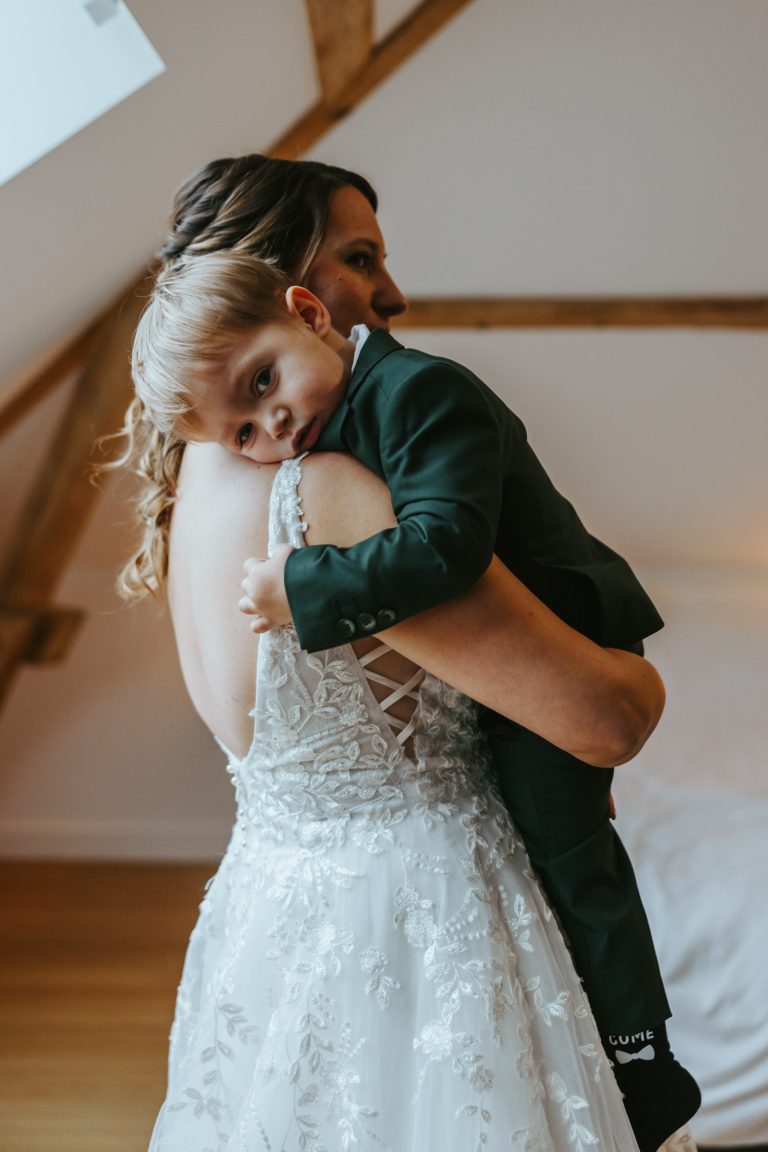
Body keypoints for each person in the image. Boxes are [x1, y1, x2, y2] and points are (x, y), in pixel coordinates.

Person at [120, 154, 688, 1150]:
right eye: (359, 256)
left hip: (270, 926)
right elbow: (605, 720)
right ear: (287, 285)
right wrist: (638, 676)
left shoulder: (196, 486)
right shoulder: (330, 490)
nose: (390, 291)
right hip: (425, 927)